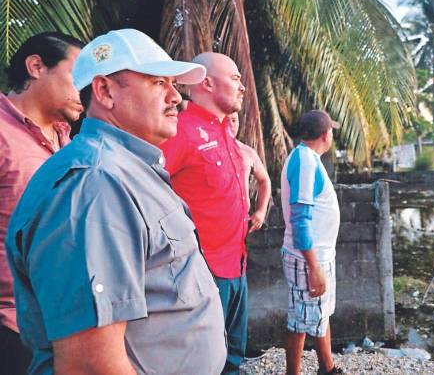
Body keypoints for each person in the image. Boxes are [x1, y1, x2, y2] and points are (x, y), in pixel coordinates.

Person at [6, 29, 227, 375]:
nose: (176, 98)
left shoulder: (125, 170)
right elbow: (90, 364)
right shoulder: (95, 184)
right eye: (157, 83)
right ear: (105, 91)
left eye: (173, 84)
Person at [160, 52, 251, 374]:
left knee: (234, 357)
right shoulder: (180, 131)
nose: (243, 87)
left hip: (236, 264)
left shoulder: (225, 130)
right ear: (207, 83)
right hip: (203, 272)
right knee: (201, 362)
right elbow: (149, 193)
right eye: (236, 78)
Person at [0, 32, 84, 374]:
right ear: (36, 66)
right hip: (11, 329)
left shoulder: (69, 141)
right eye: (77, 77)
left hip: (64, 324)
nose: (86, 89)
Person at [280, 110, 345, 375]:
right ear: (325, 134)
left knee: (320, 313)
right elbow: (300, 220)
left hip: (318, 255)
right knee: (300, 321)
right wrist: (314, 267)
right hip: (308, 257)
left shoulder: (307, 158)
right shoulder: (305, 162)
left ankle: (326, 367)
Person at [228, 112, 271, 234]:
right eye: (226, 120)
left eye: (234, 120)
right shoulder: (206, 149)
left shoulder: (247, 152)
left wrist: (261, 211)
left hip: (241, 223)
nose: (231, 125)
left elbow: (264, 180)